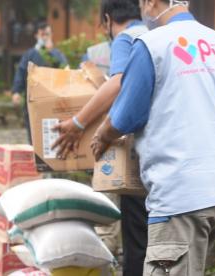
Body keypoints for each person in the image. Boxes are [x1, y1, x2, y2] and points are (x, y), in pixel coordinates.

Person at [91, 0, 215, 274]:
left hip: (180, 198)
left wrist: (101, 136)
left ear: (152, 2)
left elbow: (123, 117)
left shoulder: (152, 45)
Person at [52, 1, 149, 274]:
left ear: (107, 20)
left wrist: (77, 122)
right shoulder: (156, 34)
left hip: (141, 151)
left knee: (137, 237)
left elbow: (118, 83)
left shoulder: (126, 38)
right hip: (169, 151)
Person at [11, 20, 68, 144]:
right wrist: (16, 91)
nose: (45, 37)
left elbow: (66, 71)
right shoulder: (29, 54)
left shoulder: (58, 54)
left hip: (54, 101)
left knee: (53, 135)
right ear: (36, 35)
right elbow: (21, 72)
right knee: (33, 135)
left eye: (48, 34)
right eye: (43, 34)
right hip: (33, 101)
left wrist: (51, 51)